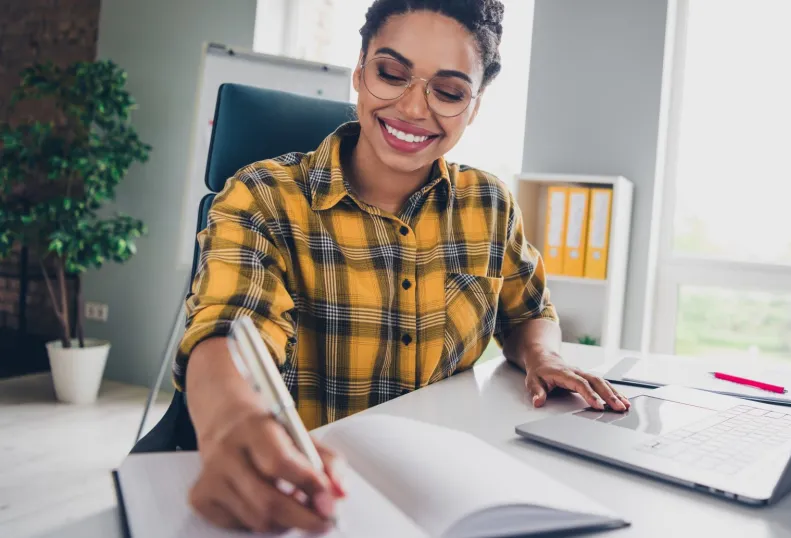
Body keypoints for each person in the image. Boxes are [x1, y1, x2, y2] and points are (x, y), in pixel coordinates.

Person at [176, 0, 631, 533]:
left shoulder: (489, 204)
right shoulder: (263, 197)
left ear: (475, 105)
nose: (415, 108)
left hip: (450, 487)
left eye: (450, 91)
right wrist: (234, 423)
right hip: (313, 493)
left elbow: (526, 309)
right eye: (391, 74)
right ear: (360, 71)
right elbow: (232, 330)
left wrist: (542, 355)